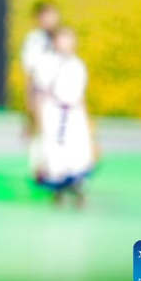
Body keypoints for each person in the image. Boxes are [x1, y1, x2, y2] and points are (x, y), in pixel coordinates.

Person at [31, 26, 96, 206]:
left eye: (70, 38)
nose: (67, 42)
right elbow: (39, 93)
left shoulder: (78, 64)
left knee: (78, 150)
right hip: (53, 111)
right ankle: (57, 188)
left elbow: (81, 95)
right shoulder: (46, 63)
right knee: (53, 151)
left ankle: (77, 186)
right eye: (63, 38)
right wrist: (37, 119)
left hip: (74, 113)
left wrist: (88, 120)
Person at [20, 0, 60, 137]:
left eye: (53, 14)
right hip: (42, 90)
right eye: (46, 15)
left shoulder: (62, 37)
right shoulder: (34, 40)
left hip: (61, 90)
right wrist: (30, 98)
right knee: (43, 131)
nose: (50, 19)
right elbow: (31, 72)